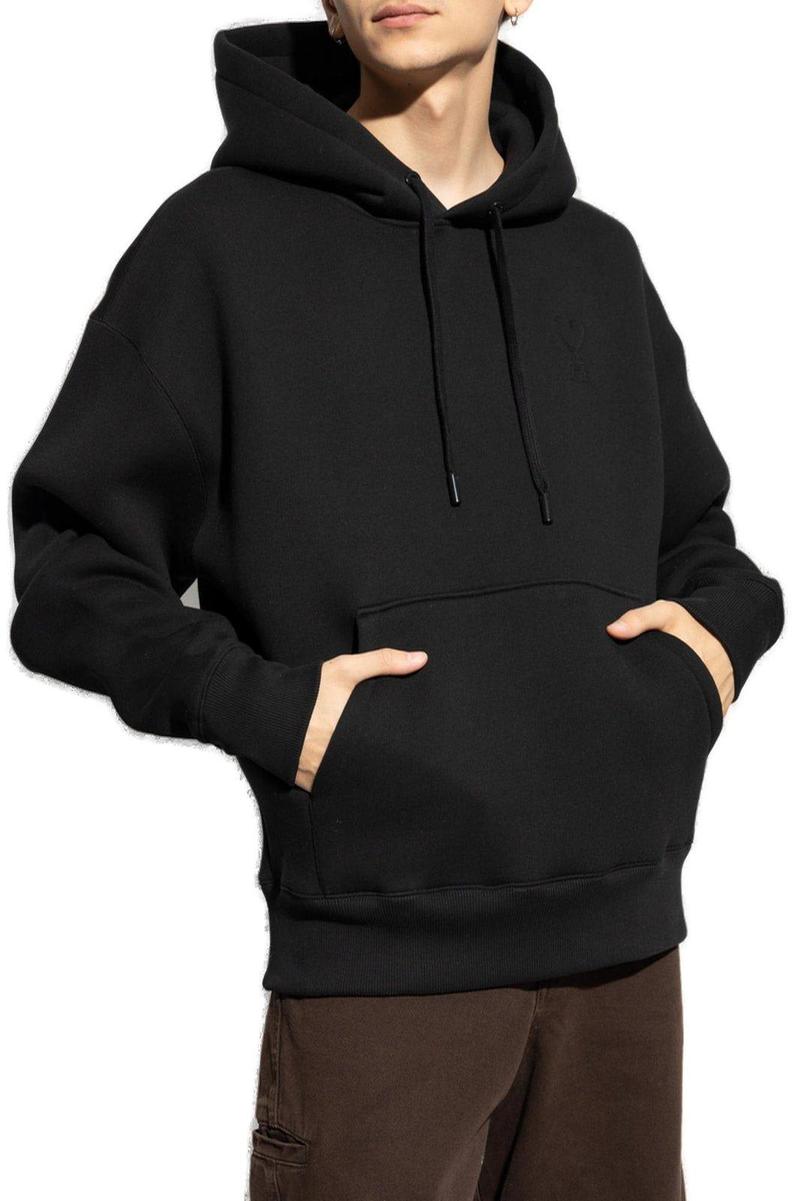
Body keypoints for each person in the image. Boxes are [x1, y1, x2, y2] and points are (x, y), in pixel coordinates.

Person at [9, 4, 783, 1199]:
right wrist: (261, 704)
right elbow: (70, 559)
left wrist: (704, 656)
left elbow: (697, 538)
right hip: (375, 970)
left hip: (625, 955)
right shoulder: (214, 248)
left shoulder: (596, 260)